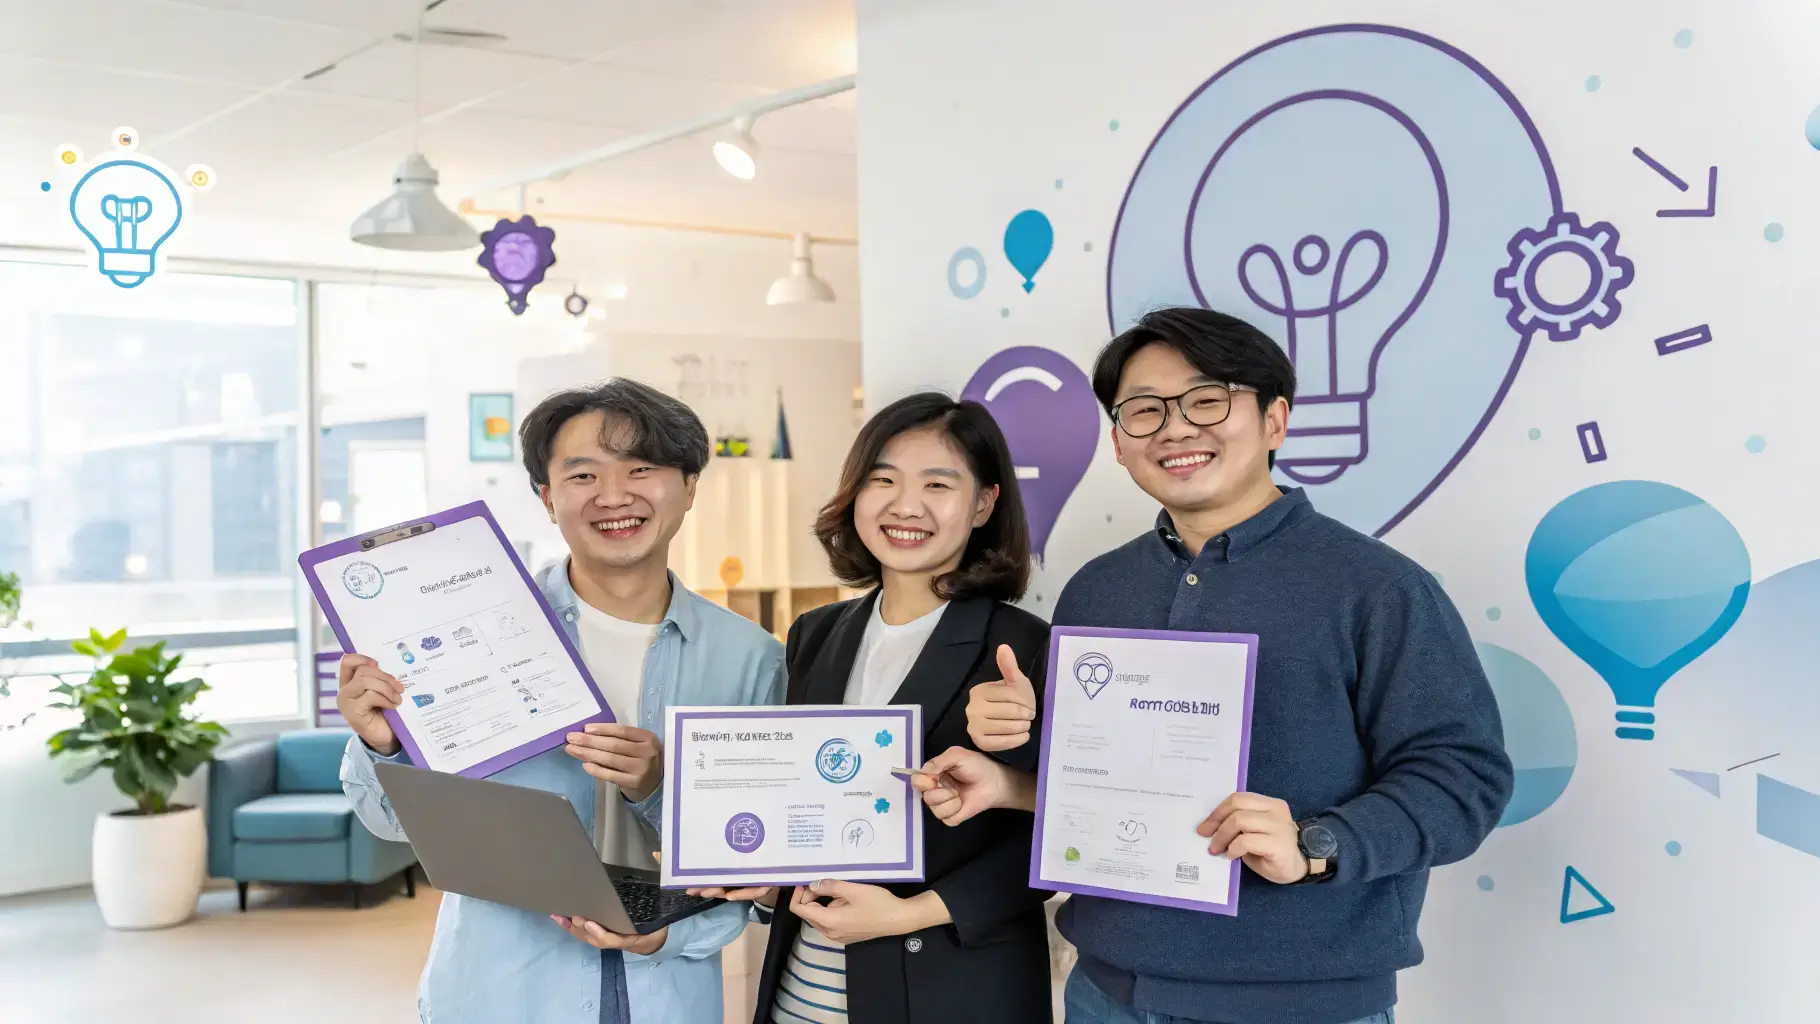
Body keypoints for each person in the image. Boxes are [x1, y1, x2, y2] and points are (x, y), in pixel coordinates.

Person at [940, 307, 1515, 1024]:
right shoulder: (1098, 587)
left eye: (1207, 400)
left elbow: (1464, 779)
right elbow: (1104, 779)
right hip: (1106, 994)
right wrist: (1015, 742)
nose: (1176, 429)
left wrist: (1316, 843)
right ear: (1118, 442)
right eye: (1144, 410)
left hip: (1301, 1007)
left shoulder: (1377, 587)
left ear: (1275, 420)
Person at [336, 378, 786, 1024]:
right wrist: (383, 743)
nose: (614, 495)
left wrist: (663, 797)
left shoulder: (751, 658)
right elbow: (388, 824)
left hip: (668, 998)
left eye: (641, 468)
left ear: (690, 486)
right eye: (583, 475)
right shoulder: (459, 637)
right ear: (547, 498)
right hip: (500, 992)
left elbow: (757, 862)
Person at [693, 392, 1055, 1024]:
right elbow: (809, 800)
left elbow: (1060, 841)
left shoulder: (1026, 647)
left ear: (983, 504)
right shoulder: (814, 633)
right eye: (882, 480)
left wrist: (911, 913)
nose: (905, 505)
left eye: (937, 484)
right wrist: (764, 871)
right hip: (802, 985)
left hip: (952, 991)